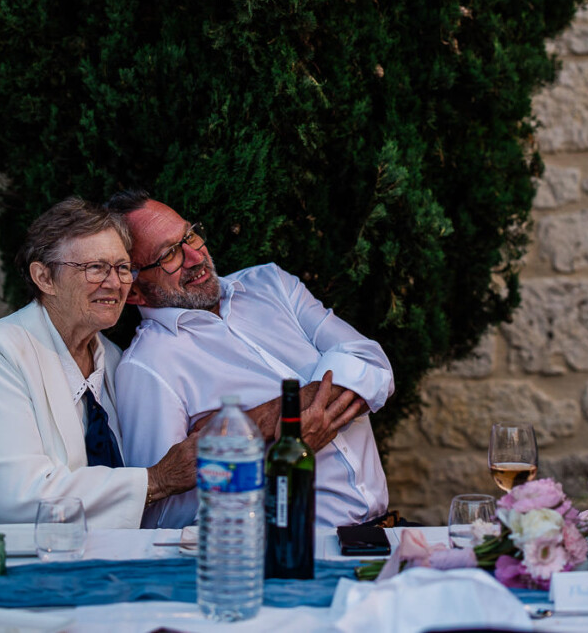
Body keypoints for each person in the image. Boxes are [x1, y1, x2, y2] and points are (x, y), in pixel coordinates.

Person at [109, 190, 395, 529]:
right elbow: (166, 518)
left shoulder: (271, 284)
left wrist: (251, 425)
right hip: (290, 556)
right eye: (169, 254)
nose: (194, 255)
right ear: (135, 290)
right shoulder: (148, 367)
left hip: (381, 534)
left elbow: (373, 362)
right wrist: (281, 459)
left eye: (190, 234)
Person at [0, 197, 197, 528]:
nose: (114, 282)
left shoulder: (113, 359)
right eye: (94, 267)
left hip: (88, 560)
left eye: (123, 267)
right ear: (44, 278)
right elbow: (18, 495)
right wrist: (156, 480)